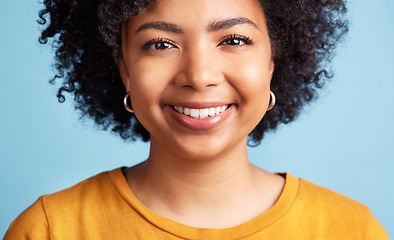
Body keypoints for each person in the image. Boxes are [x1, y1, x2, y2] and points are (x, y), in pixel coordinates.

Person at [4, 0, 389, 239]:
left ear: (272, 62)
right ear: (123, 69)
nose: (200, 74)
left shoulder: (350, 230)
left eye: (234, 40)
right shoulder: (52, 230)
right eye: (160, 44)